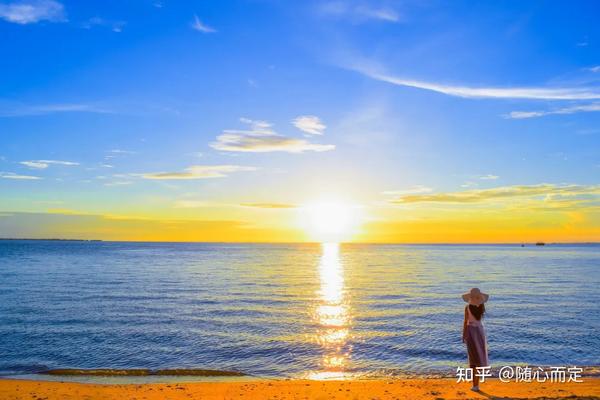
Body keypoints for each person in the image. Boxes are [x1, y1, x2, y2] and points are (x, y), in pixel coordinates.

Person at [462, 287, 489, 392]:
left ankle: (475, 385)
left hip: (471, 332)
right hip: (480, 332)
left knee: (473, 359)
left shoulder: (467, 308)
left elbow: (465, 322)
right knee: (478, 357)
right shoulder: (481, 307)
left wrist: (464, 335)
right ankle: (477, 384)